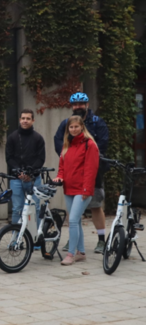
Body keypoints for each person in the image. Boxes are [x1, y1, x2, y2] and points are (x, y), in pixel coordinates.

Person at [54, 92, 109, 254]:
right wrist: (68, 156)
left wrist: (85, 159)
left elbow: (102, 144)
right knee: (74, 211)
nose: (78, 107)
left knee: (96, 206)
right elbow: (58, 141)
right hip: (73, 172)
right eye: (75, 104)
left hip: (94, 171)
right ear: (72, 106)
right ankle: (74, 240)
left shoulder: (97, 122)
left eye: (81, 104)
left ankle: (101, 240)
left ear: (87, 105)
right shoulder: (67, 123)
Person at [55, 114, 99, 265]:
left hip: (83, 189)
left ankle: (70, 254)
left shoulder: (90, 145)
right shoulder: (67, 144)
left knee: (72, 220)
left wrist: (87, 190)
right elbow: (62, 165)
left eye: (76, 127)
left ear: (82, 127)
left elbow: (91, 170)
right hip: (69, 188)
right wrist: (59, 177)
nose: (73, 129)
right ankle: (81, 252)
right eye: (71, 127)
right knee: (76, 221)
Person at [5, 109, 46, 232]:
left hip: (34, 179)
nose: (25, 121)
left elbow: (41, 158)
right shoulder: (12, 137)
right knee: (17, 208)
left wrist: (30, 173)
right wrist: (19, 172)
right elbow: (9, 158)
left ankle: (35, 238)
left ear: (33, 120)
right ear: (19, 120)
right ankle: (15, 239)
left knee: (36, 208)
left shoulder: (38, 138)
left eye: (28, 118)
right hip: (16, 179)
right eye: (23, 118)